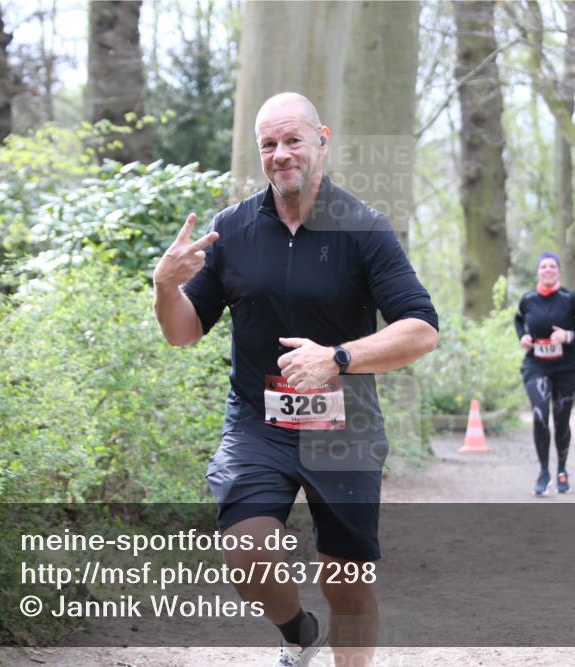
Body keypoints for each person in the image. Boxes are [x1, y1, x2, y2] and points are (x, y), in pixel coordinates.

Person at [152, 92, 439, 667]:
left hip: (345, 426)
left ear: (321, 139)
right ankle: (298, 633)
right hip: (260, 423)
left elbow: (421, 329)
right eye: (268, 144)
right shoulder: (232, 230)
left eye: (292, 140)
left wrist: (336, 357)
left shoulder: (363, 227)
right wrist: (165, 285)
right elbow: (183, 333)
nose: (281, 154)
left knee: (347, 580)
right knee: (246, 550)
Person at [514, 252, 575, 495]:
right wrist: (523, 337)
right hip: (536, 365)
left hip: (566, 368)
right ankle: (543, 472)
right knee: (540, 415)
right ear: (538, 272)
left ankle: (562, 467)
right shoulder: (528, 299)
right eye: (544, 266)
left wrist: (569, 335)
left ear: (559, 271)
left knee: (561, 423)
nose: (548, 270)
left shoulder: (570, 299)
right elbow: (518, 321)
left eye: (553, 266)